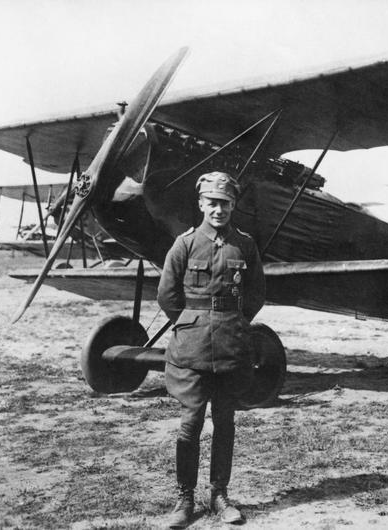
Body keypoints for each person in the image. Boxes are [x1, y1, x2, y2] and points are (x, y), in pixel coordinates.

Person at [157, 171, 265, 528]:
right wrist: (193, 323)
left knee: (225, 421)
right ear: (201, 204)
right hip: (193, 350)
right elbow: (168, 296)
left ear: (233, 205)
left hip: (231, 346)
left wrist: (231, 322)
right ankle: (184, 499)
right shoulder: (185, 244)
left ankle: (220, 495)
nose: (218, 210)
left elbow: (254, 294)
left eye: (225, 204)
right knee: (190, 424)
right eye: (212, 203)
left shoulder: (244, 245)